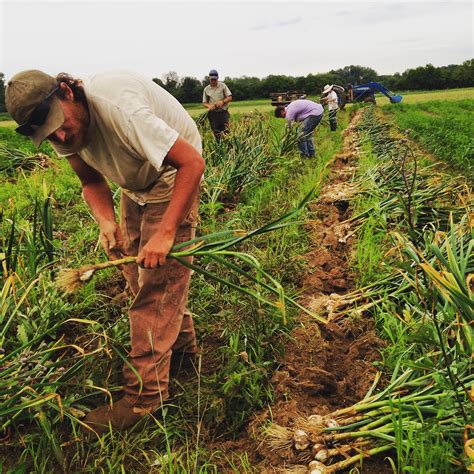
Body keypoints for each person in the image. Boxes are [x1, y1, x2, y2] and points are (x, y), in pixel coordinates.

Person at [5, 69, 205, 434]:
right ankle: (184, 352)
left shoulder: (119, 107)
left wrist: (166, 232)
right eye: (51, 134)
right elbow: (91, 180)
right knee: (136, 274)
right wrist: (105, 221)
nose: (61, 136)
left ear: (67, 91)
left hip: (172, 174)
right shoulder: (59, 126)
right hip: (134, 183)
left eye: (59, 124)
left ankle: (145, 399)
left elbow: (192, 162)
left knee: (156, 285)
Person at [202, 69, 232, 140]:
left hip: (223, 114)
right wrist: (210, 106)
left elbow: (230, 97)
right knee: (216, 134)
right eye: (212, 80)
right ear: (209, 78)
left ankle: (229, 149)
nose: (213, 81)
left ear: (217, 78)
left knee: (226, 133)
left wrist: (223, 102)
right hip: (213, 115)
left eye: (215, 80)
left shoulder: (223, 86)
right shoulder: (206, 89)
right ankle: (219, 148)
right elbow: (204, 103)